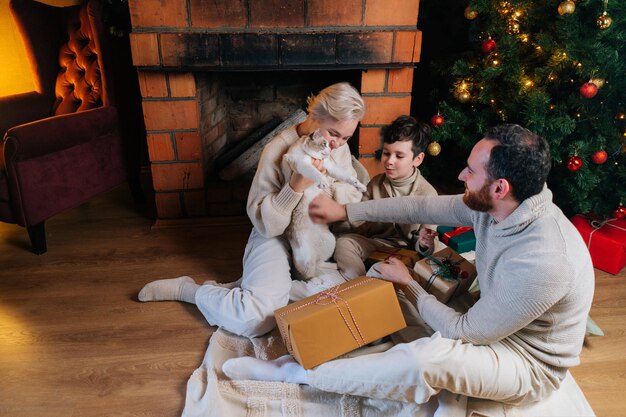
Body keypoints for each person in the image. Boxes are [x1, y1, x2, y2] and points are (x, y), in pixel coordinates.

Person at [222, 124, 595, 407]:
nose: (461, 177)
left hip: (524, 362)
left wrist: (409, 285)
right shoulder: (496, 205)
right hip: (489, 315)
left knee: (425, 359)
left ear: (500, 187)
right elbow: (417, 207)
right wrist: (346, 211)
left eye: (470, 171)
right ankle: (324, 347)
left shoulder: (545, 259)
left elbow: (465, 332)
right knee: (384, 289)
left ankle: (298, 373)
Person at [137, 82, 366, 338]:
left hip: (313, 239)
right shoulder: (277, 150)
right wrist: (295, 187)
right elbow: (267, 226)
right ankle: (188, 290)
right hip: (274, 237)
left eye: (346, 137)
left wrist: (329, 193)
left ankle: (255, 288)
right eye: (334, 134)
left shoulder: (339, 149)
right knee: (255, 320)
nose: (337, 144)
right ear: (316, 114)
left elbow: (352, 196)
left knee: (351, 295)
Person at [334, 115, 439, 280]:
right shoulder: (376, 183)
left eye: (399, 156)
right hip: (378, 244)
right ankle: (359, 284)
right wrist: (341, 217)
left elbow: (427, 243)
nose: (389, 161)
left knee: (418, 272)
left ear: (417, 159)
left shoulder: (428, 195)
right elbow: (359, 222)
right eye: (386, 153)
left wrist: (426, 243)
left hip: (407, 253)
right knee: (343, 243)